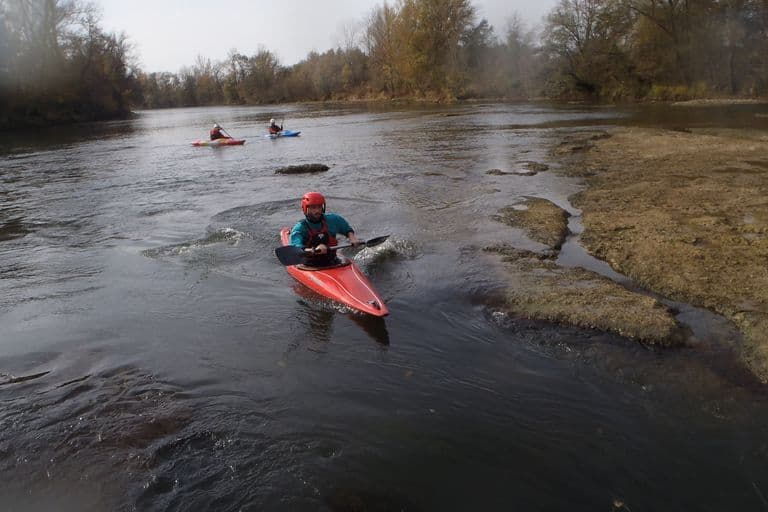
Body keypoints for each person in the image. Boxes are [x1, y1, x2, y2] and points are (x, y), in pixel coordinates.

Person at [290, 191, 360, 267]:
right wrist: (314, 250)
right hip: (310, 264)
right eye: (313, 207)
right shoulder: (300, 228)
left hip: (332, 260)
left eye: (319, 207)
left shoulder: (333, 219)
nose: (317, 211)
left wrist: (352, 238)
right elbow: (296, 249)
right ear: (305, 208)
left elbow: (347, 229)